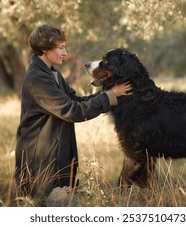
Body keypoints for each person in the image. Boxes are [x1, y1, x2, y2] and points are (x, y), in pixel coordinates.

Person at [14, 24, 131, 201]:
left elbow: (75, 100)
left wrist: (109, 96)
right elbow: (72, 111)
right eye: (60, 48)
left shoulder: (52, 73)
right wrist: (109, 96)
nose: (65, 53)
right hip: (41, 162)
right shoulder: (37, 79)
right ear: (45, 49)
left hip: (54, 156)